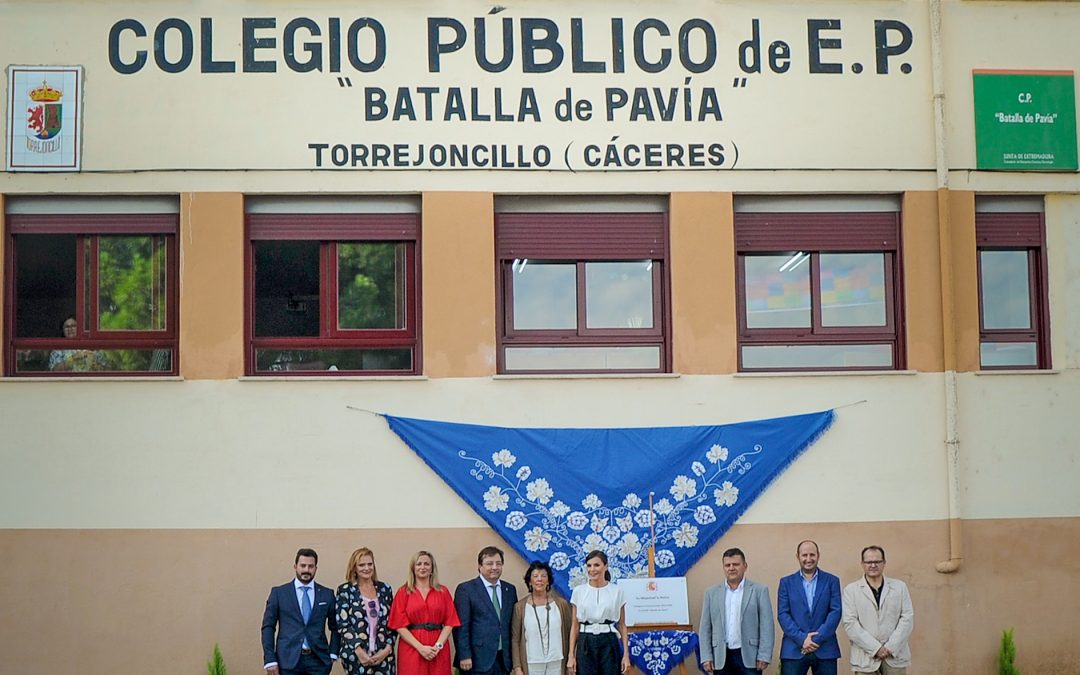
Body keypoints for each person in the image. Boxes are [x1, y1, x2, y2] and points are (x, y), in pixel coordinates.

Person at [261, 548, 341, 675]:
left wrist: (333, 653)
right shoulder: (279, 593)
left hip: (318, 662)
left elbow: (336, 627)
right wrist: (270, 659)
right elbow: (268, 627)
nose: (306, 570)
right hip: (287, 661)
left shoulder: (327, 594)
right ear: (295, 567)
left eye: (310, 566)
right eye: (303, 566)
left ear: (316, 568)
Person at [699, 547, 774, 674]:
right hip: (721, 656)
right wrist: (706, 656)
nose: (731, 568)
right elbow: (705, 628)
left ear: (745, 566)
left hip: (749, 656)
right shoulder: (711, 593)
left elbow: (767, 625)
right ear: (723, 568)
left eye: (736, 564)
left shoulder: (759, 591)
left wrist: (764, 655)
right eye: (727, 565)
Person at [840, 546, 914, 675]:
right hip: (865, 658)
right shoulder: (851, 590)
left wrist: (890, 647)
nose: (873, 565)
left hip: (894, 656)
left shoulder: (899, 587)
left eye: (877, 561)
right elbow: (850, 623)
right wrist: (875, 648)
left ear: (884, 563)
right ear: (862, 564)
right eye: (869, 562)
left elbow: (907, 618)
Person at [388, 550, 461, 675]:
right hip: (412, 647)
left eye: (426, 564)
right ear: (413, 568)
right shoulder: (403, 592)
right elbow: (399, 625)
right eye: (419, 564)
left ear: (432, 568)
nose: (423, 567)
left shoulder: (443, 592)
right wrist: (420, 648)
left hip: (438, 649)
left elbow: (450, 622)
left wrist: (438, 647)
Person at [777, 540, 842, 675]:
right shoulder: (786, 583)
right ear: (798, 557)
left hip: (825, 648)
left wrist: (815, 639)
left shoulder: (832, 581)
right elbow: (783, 614)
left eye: (812, 555)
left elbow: (835, 612)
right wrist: (802, 639)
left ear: (818, 555)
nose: (808, 559)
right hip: (794, 649)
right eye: (804, 555)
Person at [454, 546, 519, 675]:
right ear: (480, 566)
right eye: (489, 563)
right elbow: (461, 626)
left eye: (498, 563)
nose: (494, 567)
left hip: (503, 659)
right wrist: (464, 655)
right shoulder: (466, 589)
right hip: (477, 660)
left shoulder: (510, 590)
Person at [567, 550, 630, 675]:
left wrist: (626, 655)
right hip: (586, 641)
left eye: (596, 565)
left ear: (605, 566)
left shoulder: (617, 591)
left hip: (609, 641)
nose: (592, 569)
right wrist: (571, 656)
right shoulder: (579, 591)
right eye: (589, 566)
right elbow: (575, 626)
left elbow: (622, 625)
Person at [336, 547, 397, 675]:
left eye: (370, 564)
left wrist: (387, 649)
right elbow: (343, 624)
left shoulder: (385, 589)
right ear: (354, 568)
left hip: (383, 657)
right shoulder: (345, 590)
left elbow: (393, 622)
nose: (367, 568)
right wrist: (359, 652)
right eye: (362, 565)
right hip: (356, 657)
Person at [511, 560, 573, 675]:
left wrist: (571, 658)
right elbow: (515, 639)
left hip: (557, 661)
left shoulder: (562, 605)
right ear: (530, 582)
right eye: (535, 576)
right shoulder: (520, 607)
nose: (539, 579)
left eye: (543, 576)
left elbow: (571, 633)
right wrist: (517, 667)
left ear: (548, 581)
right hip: (531, 663)